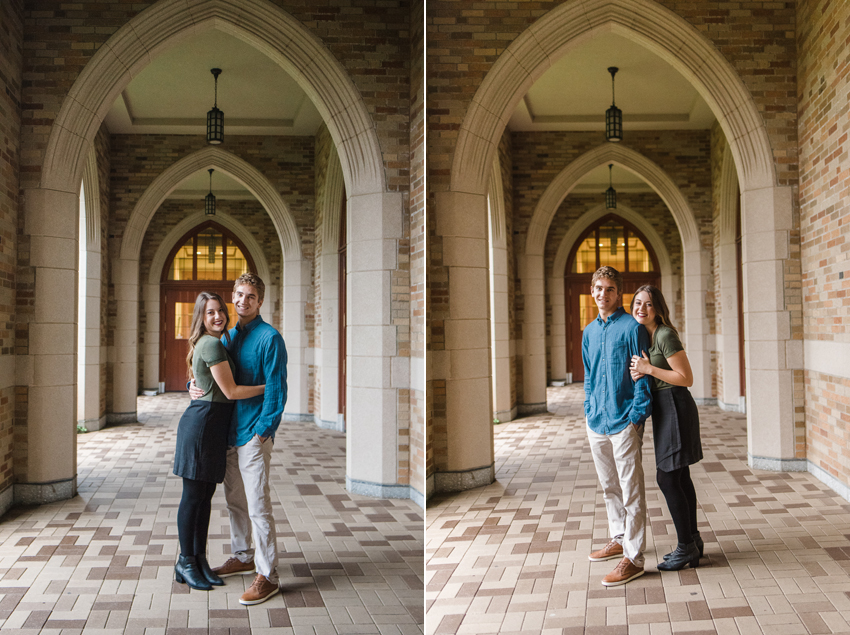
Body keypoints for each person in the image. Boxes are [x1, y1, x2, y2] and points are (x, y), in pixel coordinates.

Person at [191, 273, 287, 605]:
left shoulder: (270, 338)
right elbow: (213, 378)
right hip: (227, 434)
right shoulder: (226, 336)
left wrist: (264, 431)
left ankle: (268, 575)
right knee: (235, 503)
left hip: (253, 435)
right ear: (233, 296)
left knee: (259, 507)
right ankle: (243, 554)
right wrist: (193, 386)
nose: (243, 301)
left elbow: (277, 390)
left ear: (260, 301)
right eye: (239, 295)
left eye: (250, 296)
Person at [173, 291, 265, 591]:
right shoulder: (211, 342)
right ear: (201, 317)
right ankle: (185, 562)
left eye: (220, 311)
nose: (218, 317)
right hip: (201, 426)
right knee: (193, 498)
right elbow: (232, 391)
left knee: (204, 498)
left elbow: (204, 380)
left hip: (213, 427)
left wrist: (191, 383)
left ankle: (198, 560)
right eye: (210, 312)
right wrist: (269, 386)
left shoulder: (218, 342)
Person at [583, 266, 653, 587]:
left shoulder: (632, 328)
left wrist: (637, 416)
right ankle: (618, 536)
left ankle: (634, 557)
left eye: (609, 288)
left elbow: (643, 374)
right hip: (596, 421)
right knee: (609, 486)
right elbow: (589, 376)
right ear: (592, 291)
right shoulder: (589, 333)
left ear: (618, 293)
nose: (603, 294)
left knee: (631, 490)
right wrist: (588, 409)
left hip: (625, 419)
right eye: (598, 287)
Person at [629, 284, 704, 571]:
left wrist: (648, 369)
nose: (641, 309)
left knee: (667, 478)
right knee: (680, 476)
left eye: (648, 304)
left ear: (658, 308)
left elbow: (685, 377)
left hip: (674, 404)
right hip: (663, 406)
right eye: (637, 303)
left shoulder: (664, 334)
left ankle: (685, 547)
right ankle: (693, 542)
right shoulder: (643, 335)